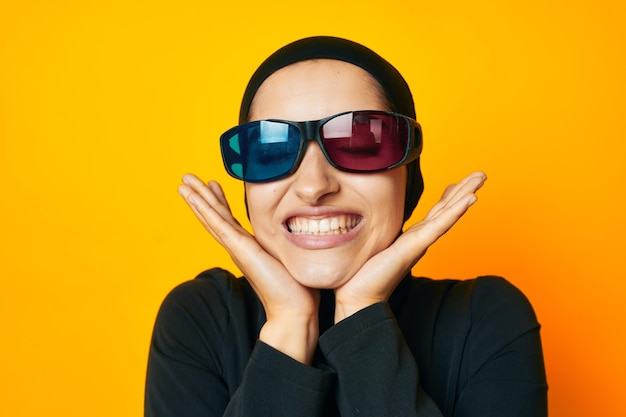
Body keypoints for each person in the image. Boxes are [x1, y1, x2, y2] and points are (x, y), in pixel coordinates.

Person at [145, 36, 548, 417]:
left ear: (409, 176)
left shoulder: (484, 319)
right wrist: (288, 324)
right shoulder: (201, 318)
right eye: (270, 148)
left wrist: (362, 316)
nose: (314, 186)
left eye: (360, 142)